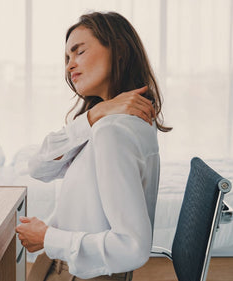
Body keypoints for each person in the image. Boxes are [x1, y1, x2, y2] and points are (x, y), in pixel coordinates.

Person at [15, 11, 172, 281]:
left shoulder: (113, 130)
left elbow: (132, 248)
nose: (69, 66)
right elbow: (39, 167)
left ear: (119, 50)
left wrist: (48, 237)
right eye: (67, 58)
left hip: (81, 274)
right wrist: (97, 112)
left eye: (79, 52)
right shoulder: (108, 122)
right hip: (71, 267)